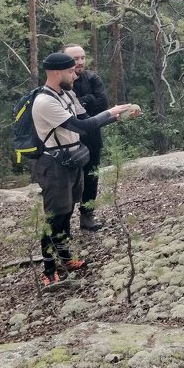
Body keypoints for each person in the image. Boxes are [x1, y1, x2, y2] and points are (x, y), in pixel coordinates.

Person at [32, 51, 138, 287]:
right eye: (71, 71)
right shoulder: (45, 101)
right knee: (54, 218)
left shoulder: (67, 94)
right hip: (53, 165)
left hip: (71, 162)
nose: (75, 74)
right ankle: (49, 271)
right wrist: (110, 112)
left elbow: (86, 118)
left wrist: (117, 116)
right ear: (57, 72)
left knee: (67, 212)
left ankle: (66, 259)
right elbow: (80, 126)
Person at [62, 44, 108, 231]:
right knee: (69, 181)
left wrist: (84, 100)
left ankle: (87, 216)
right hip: (68, 141)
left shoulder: (92, 78)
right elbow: (66, 112)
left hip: (92, 138)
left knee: (91, 177)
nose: (80, 62)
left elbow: (103, 104)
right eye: (75, 59)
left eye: (82, 57)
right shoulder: (60, 82)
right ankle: (63, 221)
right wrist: (89, 101)